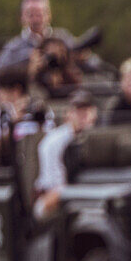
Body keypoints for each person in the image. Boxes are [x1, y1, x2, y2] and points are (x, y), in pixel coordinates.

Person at [34, 89, 97, 220]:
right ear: (68, 114)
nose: (83, 115)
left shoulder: (101, 136)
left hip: (92, 195)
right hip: (60, 198)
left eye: (87, 110)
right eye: (78, 110)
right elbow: (54, 189)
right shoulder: (52, 142)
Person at [0, 0, 73, 75]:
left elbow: (81, 57)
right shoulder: (14, 46)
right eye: (31, 15)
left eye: (40, 15)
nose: (36, 20)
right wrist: (27, 64)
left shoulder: (63, 36)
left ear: (49, 15)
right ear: (22, 17)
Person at [0, 71, 54, 167]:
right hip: (11, 162)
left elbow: (50, 139)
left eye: (2, 90)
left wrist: (39, 122)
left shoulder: (39, 109)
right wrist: (13, 122)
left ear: (16, 91)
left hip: (39, 159)